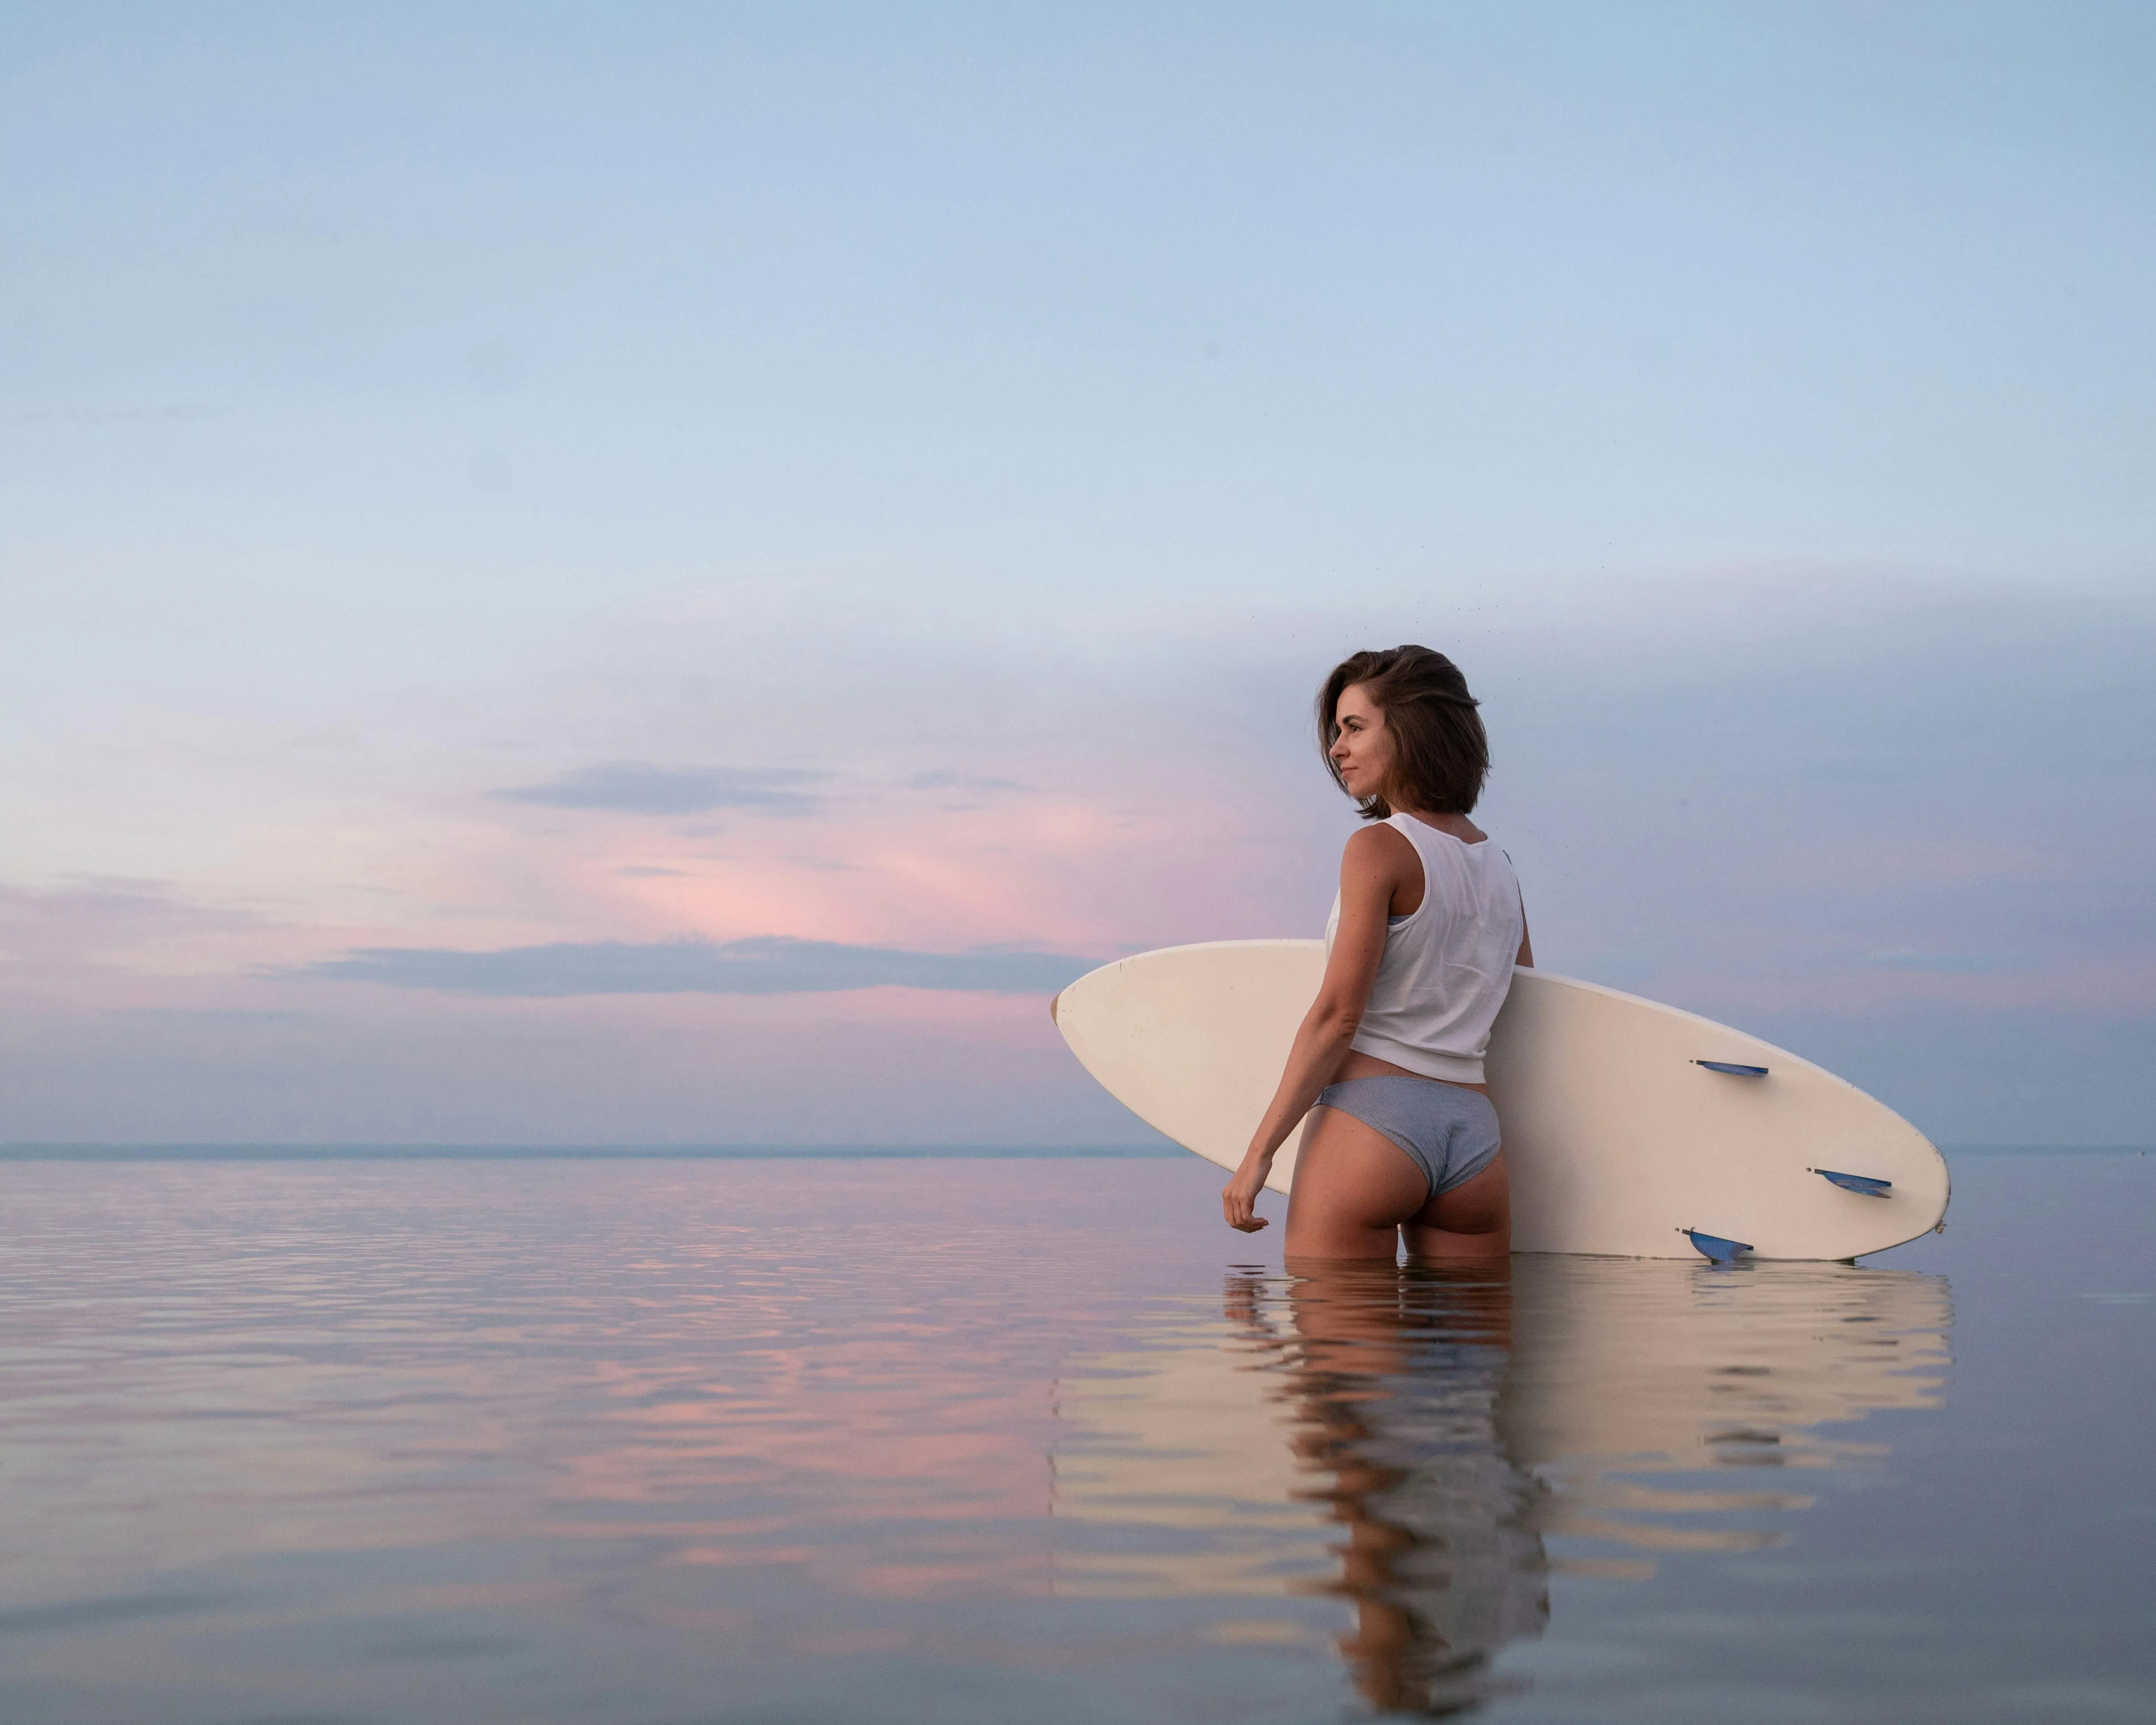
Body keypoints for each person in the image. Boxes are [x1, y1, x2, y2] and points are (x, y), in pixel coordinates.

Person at [1221, 646, 1531, 1261]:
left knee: (1339, 1357)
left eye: (1355, 728)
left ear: (1413, 731)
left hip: (1371, 1126)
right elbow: (1519, 1001)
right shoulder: (1500, 867)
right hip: (1474, 1141)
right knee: (1471, 1361)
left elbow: (1338, 1016)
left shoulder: (1378, 849)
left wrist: (1258, 1155)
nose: (1336, 749)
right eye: (1336, 732)